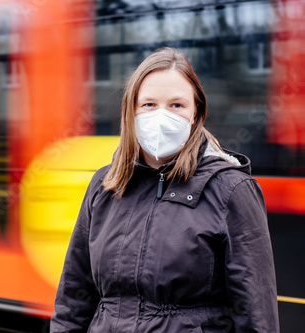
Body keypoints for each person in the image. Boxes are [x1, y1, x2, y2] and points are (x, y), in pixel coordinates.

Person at [50, 47, 279, 332]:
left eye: (176, 105)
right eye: (149, 105)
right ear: (131, 111)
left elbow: (256, 314)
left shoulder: (231, 190)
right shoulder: (104, 185)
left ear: (196, 113)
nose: (161, 116)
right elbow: (74, 298)